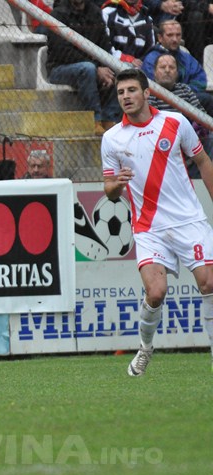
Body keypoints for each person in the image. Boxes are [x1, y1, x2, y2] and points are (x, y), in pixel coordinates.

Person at [102, 68, 213, 376]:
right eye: (121, 92)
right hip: (149, 228)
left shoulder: (175, 123)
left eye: (131, 91)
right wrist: (117, 185)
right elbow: (109, 191)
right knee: (156, 292)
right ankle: (145, 348)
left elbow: (203, 162)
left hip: (189, 220)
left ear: (146, 93)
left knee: (210, 283)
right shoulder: (112, 138)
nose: (125, 96)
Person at [46, 0, 121, 135]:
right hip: (59, 68)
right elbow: (62, 52)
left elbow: (104, 45)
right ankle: (94, 120)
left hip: (92, 66)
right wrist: (97, 68)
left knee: (118, 69)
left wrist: (105, 68)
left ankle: (110, 120)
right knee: (87, 69)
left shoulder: (95, 12)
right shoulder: (58, 14)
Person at [140, 20, 213, 117]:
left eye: (178, 35)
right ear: (160, 38)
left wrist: (186, 93)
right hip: (162, 100)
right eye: (170, 35)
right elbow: (153, 85)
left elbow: (200, 79)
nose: (175, 39)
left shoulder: (186, 57)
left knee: (207, 99)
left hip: (187, 97)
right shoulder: (151, 59)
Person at [101, 0, 156, 67]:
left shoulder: (147, 19)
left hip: (137, 70)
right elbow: (103, 44)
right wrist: (123, 58)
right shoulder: (108, 13)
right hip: (109, 64)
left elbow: (150, 50)